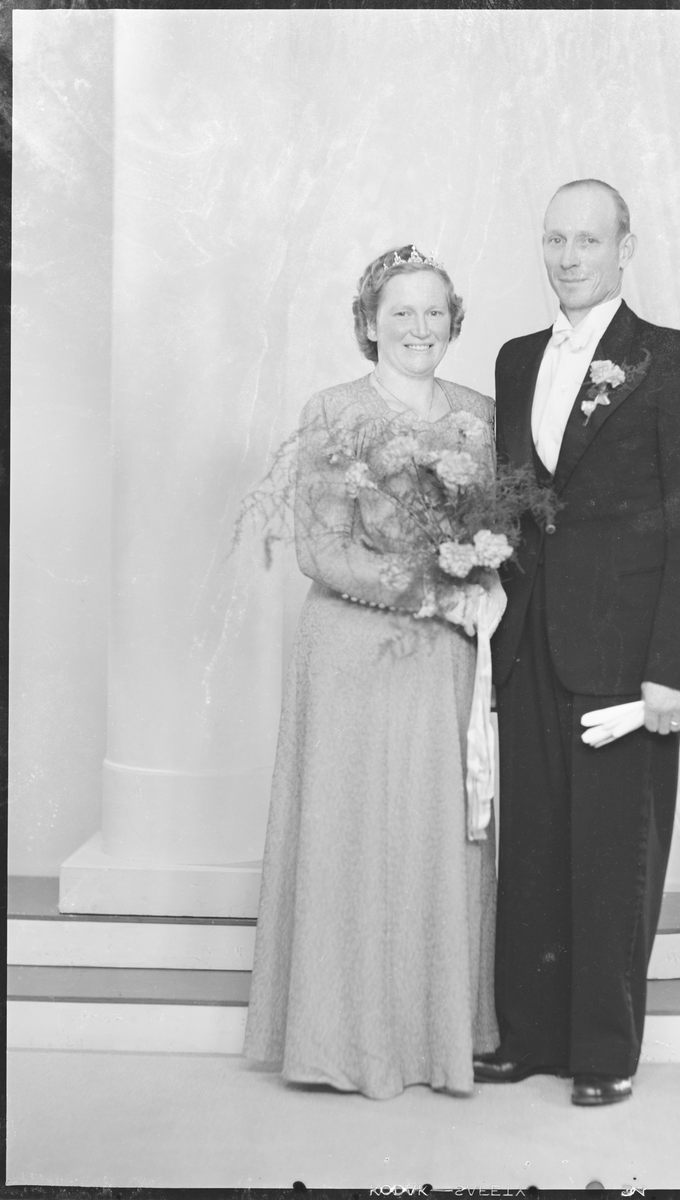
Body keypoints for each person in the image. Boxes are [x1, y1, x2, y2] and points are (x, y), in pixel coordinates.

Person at [479, 180, 680, 1105]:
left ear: (625, 248)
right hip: (527, 647)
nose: (568, 256)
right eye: (555, 239)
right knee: (534, 847)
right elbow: (515, 504)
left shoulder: (676, 359)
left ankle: (603, 1053)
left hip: (626, 658)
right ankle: (527, 1037)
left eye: (587, 239)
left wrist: (674, 670)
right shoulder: (514, 359)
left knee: (614, 855)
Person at [243, 246, 499, 1100]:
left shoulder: (479, 415)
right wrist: (434, 592)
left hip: (444, 660)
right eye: (400, 312)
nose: (419, 327)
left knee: (434, 840)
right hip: (352, 655)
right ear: (369, 323)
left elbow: (498, 536)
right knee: (352, 841)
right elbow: (321, 551)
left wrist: (485, 582)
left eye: (433, 312)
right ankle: (339, 1044)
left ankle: (435, 1042)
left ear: (453, 320)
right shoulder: (333, 412)